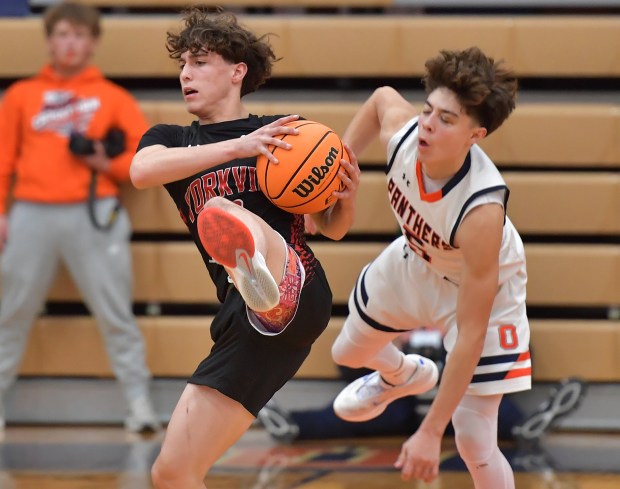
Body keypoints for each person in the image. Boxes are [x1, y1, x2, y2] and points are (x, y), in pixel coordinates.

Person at [129, 7, 360, 489]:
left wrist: (348, 194)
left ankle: (256, 262)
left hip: (299, 285)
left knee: (221, 209)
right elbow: (140, 172)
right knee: (172, 473)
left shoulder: (285, 132)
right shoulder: (172, 141)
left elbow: (331, 227)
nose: (185, 74)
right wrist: (238, 148)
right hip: (244, 322)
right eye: (182, 65)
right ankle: (251, 274)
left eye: (199, 62)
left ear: (237, 72)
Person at [329, 46, 530, 488]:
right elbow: (381, 98)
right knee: (346, 353)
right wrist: (336, 171)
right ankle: (404, 374)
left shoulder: (481, 210)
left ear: (474, 135)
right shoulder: (406, 137)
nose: (428, 124)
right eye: (428, 110)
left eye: (446, 119)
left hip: (484, 296)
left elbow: (472, 332)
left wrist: (430, 431)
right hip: (419, 259)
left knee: (474, 440)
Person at [0, 1, 159, 433]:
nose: (70, 43)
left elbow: (140, 163)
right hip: (31, 214)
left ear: (92, 42)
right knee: (10, 313)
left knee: (115, 314)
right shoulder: (20, 96)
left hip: (95, 215)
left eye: (79, 35)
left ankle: (139, 404)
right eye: (62, 34)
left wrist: (100, 160)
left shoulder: (113, 98)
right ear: (50, 40)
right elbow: (2, 161)